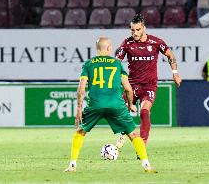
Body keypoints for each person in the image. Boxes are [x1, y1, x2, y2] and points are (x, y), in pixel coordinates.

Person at [64, 36, 157, 173]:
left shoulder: (89, 64)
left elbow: (81, 88)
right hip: (116, 105)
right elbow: (128, 88)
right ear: (108, 48)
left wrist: (78, 109)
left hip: (95, 104)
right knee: (133, 134)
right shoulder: (117, 64)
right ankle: (146, 165)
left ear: (97, 49)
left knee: (80, 132)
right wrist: (131, 104)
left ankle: (72, 165)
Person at [115, 14, 182, 151]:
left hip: (149, 85)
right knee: (120, 109)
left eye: (138, 30)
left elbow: (170, 55)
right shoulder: (127, 44)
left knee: (144, 112)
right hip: (132, 85)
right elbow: (116, 63)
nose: (135, 33)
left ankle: (142, 145)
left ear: (144, 28)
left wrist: (175, 74)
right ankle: (123, 133)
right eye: (132, 30)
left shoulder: (156, 42)